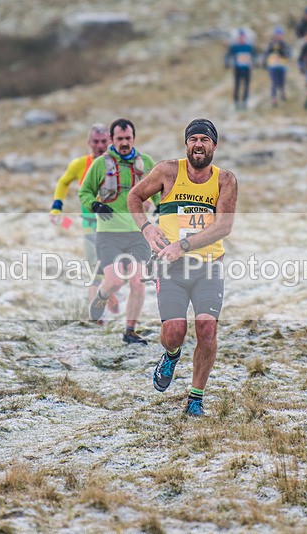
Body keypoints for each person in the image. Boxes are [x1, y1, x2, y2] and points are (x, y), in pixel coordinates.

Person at [127, 119, 238, 417]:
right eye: (193, 139)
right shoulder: (167, 172)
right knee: (175, 332)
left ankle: (196, 397)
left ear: (214, 145)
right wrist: (147, 229)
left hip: (208, 267)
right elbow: (134, 197)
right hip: (170, 268)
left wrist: (184, 246)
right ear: (186, 144)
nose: (198, 144)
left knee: (207, 328)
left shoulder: (225, 180)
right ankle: (171, 355)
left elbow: (224, 226)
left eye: (205, 139)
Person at [79, 118, 158, 344]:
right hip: (109, 233)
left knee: (138, 281)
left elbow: (160, 191)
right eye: (120, 139)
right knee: (114, 281)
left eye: (128, 138)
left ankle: (129, 331)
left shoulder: (147, 162)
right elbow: (84, 192)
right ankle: (102, 296)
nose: (124, 143)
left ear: (134, 138)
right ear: (112, 140)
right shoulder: (100, 165)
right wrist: (95, 205)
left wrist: (161, 206)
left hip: (138, 232)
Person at [49, 124, 119, 315]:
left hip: (116, 227)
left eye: (104, 141)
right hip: (90, 225)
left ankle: (108, 292)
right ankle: (96, 318)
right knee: (96, 271)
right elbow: (63, 182)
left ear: (110, 141)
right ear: (89, 143)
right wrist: (57, 207)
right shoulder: (80, 164)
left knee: (118, 271)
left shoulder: (119, 164)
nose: (100, 145)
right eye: (95, 142)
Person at [224, 29, 257, 111]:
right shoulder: (235, 47)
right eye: (240, 37)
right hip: (238, 69)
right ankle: (236, 103)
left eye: (243, 37)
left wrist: (255, 62)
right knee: (237, 86)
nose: (241, 39)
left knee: (246, 86)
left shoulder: (249, 47)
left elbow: (255, 55)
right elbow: (228, 55)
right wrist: (227, 62)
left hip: (247, 69)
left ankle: (244, 102)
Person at [263, 26, 293, 107]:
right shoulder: (271, 44)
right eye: (277, 34)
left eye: (280, 34)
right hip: (273, 65)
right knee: (274, 82)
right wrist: (264, 63)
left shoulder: (284, 44)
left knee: (282, 81)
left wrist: (283, 53)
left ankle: (282, 94)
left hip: (282, 65)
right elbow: (266, 53)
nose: (278, 36)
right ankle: (274, 98)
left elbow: (289, 54)